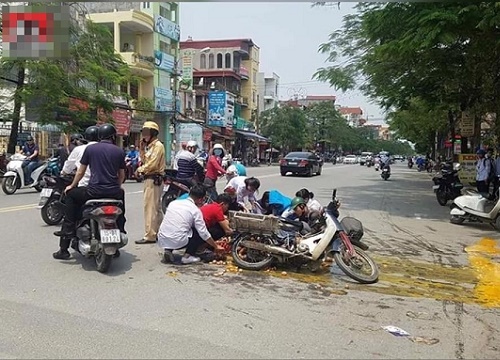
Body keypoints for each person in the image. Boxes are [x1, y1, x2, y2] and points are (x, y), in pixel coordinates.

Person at [52, 124, 127, 260]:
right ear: (113, 136)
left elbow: (80, 171)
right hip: (113, 193)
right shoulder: (119, 151)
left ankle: (67, 232)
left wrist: (72, 186)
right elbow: (121, 175)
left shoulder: (91, 149)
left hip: (94, 192)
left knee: (71, 196)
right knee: (121, 197)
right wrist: (117, 186)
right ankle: (120, 228)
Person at [157, 185, 225, 265]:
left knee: (175, 226)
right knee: (198, 231)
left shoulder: (174, 203)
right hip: (178, 240)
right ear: (200, 199)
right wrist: (215, 246)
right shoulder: (195, 210)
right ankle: (187, 257)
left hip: (162, 238)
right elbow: (203, 233)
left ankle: (168, 250)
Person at [135, 121, 166, 245]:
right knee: (156, 208)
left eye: (146, 133)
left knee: (150, 209)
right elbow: (144, 161)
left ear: (153, 133)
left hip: (153, 179)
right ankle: (158, 232)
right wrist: (141, 149)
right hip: (150, 179)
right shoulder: (151, 146)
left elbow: (151, 165)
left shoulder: (158, 146)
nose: (144, 136)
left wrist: (139, 170)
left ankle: (150, 235)